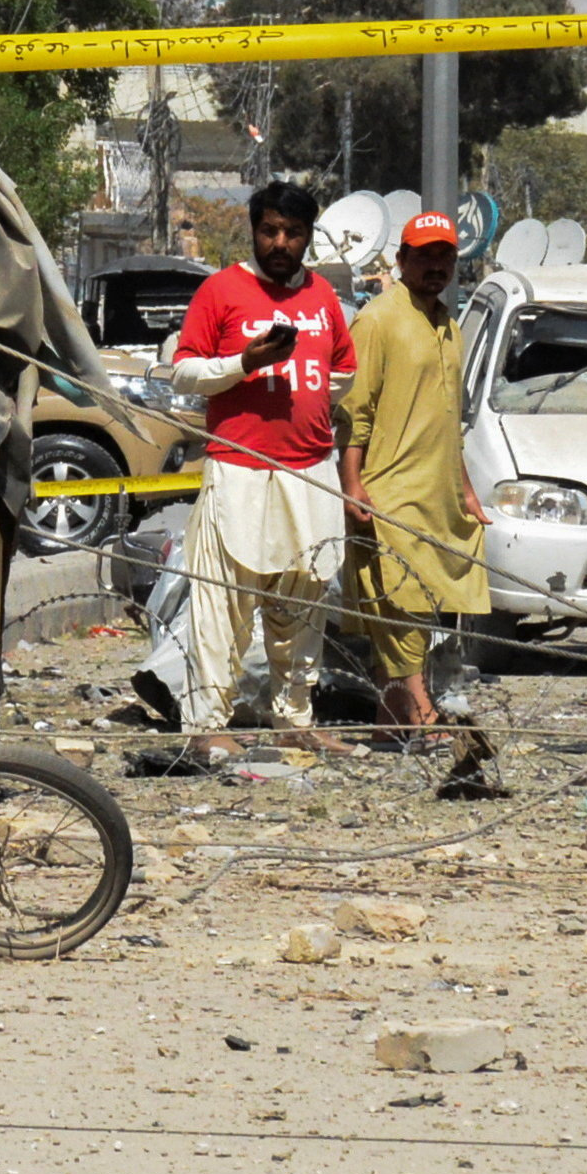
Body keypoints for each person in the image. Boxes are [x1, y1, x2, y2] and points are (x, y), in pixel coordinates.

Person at [167, 179, 357, 762]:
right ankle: (206, 724)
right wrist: (243, 364)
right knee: (223, 603)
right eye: (270, 230)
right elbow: (184, 372)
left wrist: (308, 402)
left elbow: (343, 371)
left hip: (310, 472)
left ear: (307, 237)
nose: (280, 242)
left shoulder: (323, 296)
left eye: (292, 232)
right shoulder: (221, 290)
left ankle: (294, 719)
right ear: (253, 231)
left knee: (305, 600)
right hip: (239, 470)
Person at [338, 209, 488, 743]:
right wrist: (352, 484)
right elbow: (353, 412)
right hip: (390, 486)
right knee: (400, 601)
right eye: (424, 256)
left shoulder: (449, 325)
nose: (435, 266)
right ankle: (421, 712)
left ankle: (390, 722)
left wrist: (465, 490)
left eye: (444, 256)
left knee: (419, 603)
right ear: (401, 260)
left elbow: (448, 418)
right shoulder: (377, 321)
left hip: (437, 491)